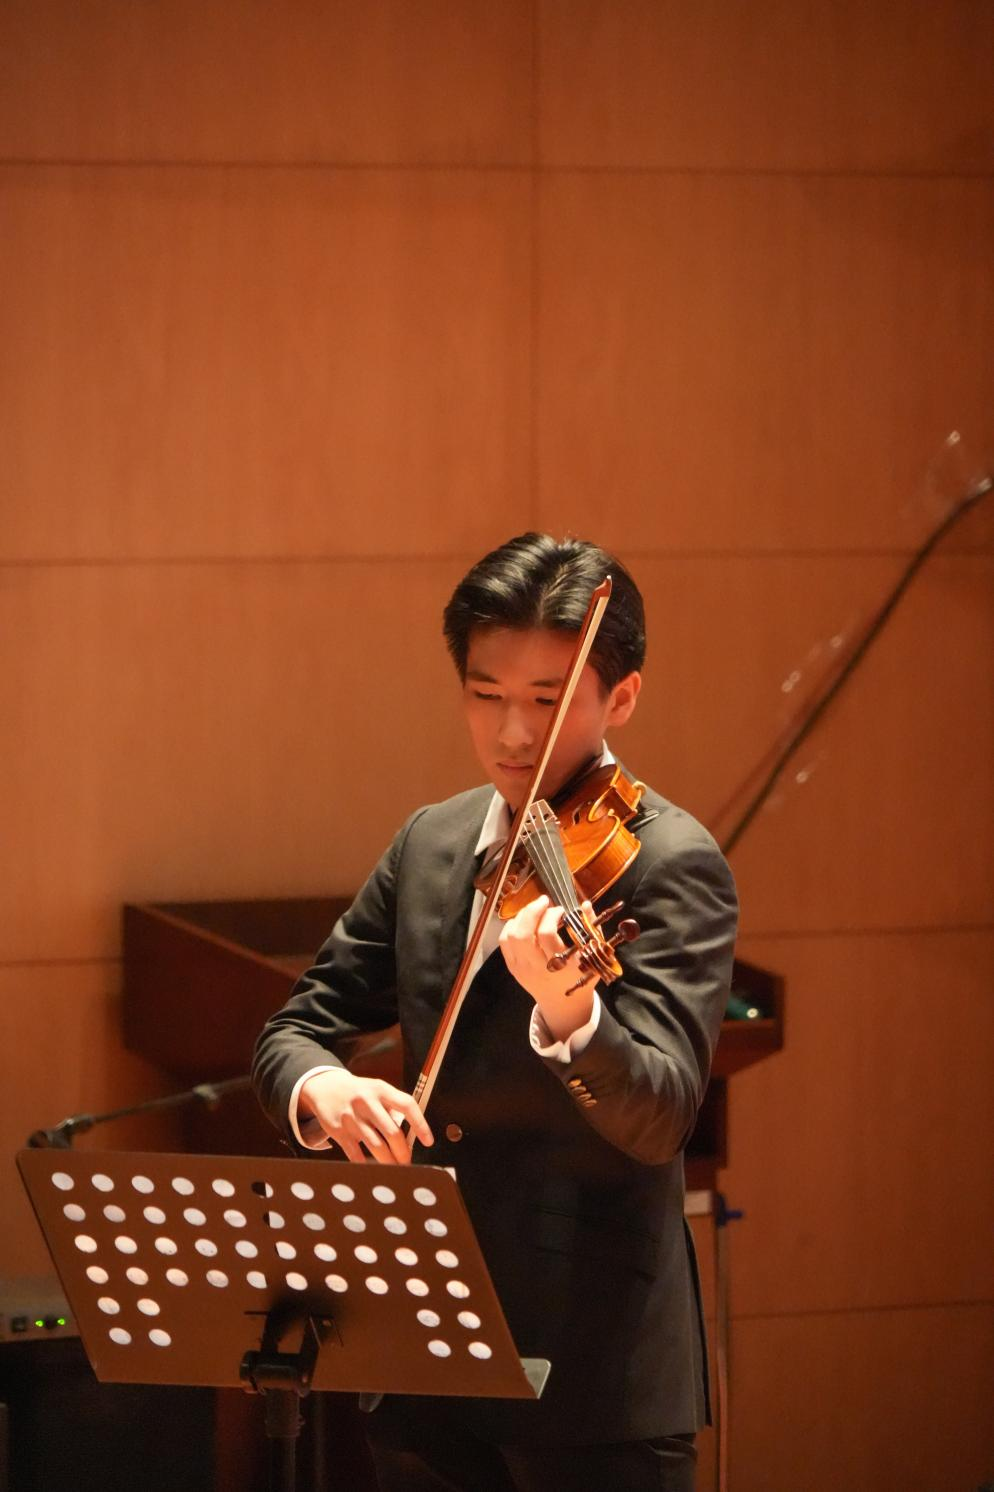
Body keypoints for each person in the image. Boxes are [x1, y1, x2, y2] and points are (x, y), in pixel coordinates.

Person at [252, 532, 738, 1492]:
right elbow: (294, 1031)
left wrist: (575, 1018)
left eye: (547, 702)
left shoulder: (670, 862)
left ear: (621, 698)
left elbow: (662, 1115)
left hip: (595, 1382)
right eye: (487, 695)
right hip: (427, 1357)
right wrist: (322, 1089)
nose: (514, 734)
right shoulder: (431, 843)